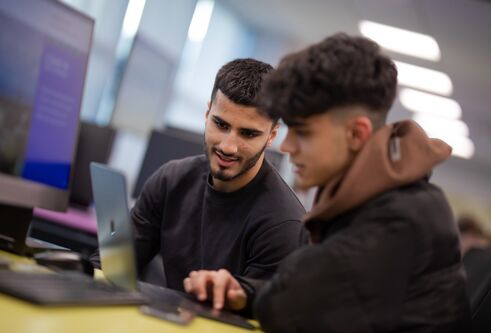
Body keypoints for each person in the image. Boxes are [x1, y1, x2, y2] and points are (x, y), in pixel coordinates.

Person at [183, 34, 471, 332]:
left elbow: (287, 310)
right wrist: (243, 293)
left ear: (356, 135)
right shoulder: (365, 201)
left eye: (303, 133)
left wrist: (259, 296)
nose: (287, 146)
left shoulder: (401, 219)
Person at [92, 58, 307, 292]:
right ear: (207, 113)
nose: (228, 146)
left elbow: (255, 319)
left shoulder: (284, 225)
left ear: (272, 135)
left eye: (247, 134)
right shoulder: (171, 180)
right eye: (221, 125)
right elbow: (110, 268)